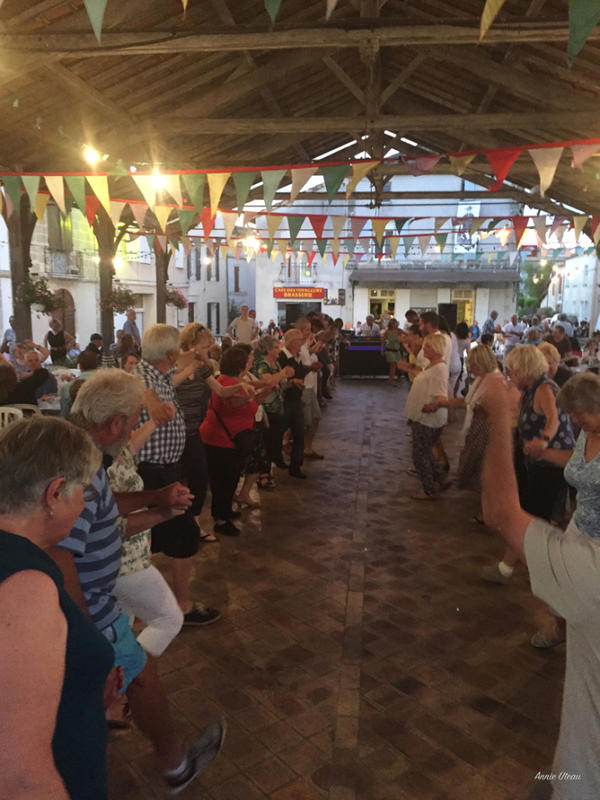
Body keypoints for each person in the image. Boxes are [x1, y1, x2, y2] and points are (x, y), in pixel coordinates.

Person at [52, 369, 226, 793]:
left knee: (131, 674)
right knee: (133, 674)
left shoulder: (85, 454)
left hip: (98, 601)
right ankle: (173, 765)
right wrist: (82, 630)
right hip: (91, 606)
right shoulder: (79, 467)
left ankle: (164, 757)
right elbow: (60, 553)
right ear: (114, 423)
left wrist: (157, 501)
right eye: (133, 421)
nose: (134, 429)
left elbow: (106, 508)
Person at [479, 376, 600, 800]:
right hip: (579, 535)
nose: (576, 420)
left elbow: (501, 515)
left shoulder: (593, 573)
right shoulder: (588, 436)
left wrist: (499, 417)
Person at [0, 416, 116, 800]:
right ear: (54, 493)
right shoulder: (24, 586)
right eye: (84, 490)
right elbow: (18, 776)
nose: (85, 503)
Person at [135, 324, 220, 626]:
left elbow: (183, 362)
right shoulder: (144, 378)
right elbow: (144, 393)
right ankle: (179, 607)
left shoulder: (161, 373)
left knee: (153, 537)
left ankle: (148, 607)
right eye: (176, 352)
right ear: (169, 353)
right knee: (182, 534)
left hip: (165, 469)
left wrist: (198, 352)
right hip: (151, 471)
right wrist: (156, 407)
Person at [482, 345, 574, 589]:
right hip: (539, 463)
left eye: (511, 371)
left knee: (532, 522)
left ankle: (549, 580)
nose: (508, 375)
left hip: (551, 464)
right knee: (531, 519)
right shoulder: (531, 389)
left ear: (525, 369)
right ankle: (510, 568)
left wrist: (542, 440)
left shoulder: (545, 388)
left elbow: (553, 418)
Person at [175, 322, 247, 540]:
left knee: (199, 478)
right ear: (191, 345)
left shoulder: (203, 367)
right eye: (206, 346)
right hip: (173, 431)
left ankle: (194, 522)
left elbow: (221, 391)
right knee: (176, 480)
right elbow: (165, 386)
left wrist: (241, 386)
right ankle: (175, 527)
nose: (209, 350)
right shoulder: (173, 365)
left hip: (193, 430)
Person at [200, 346, 259, 535]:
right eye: (248, 359)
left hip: (232, 440)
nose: (251, 361)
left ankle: (225, 511)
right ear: (239, 364)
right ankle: (220, 519)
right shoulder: (225, 382)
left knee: (231, 479)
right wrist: (249, 396)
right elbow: (231, 405)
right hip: (220, 440)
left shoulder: (238, 381)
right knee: (222, 481)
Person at [404, 332, 450, 500]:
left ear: (437, 349)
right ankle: (439, 478)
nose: (425, 348)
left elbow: (441, 396)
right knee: (426, 452)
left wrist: (433, 406)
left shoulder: (439, 369)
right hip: (423, 418)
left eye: (428, 346)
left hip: (428, 420)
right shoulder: (433, 366)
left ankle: (428, 489)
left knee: (420, 455)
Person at [252, 335, 294, 481]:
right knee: (267, 441)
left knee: (275, 439)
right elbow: (268, 382)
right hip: (267, 408)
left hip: (277, 407)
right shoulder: (262, 364)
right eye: (276, 348)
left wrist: (290, 381)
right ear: (269, 350)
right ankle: (264, 473)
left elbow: (279, 384)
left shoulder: (276, 363)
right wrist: (283, 374)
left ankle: (271, 467)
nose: (279, 350)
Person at [278, 328, 310, 479]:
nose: (301, 344)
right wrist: (292, 382)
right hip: (285, 400)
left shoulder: (296, 358)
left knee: (299, 432)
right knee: (278, 432)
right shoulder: (282, 357)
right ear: (291, 343)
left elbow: (298, 374)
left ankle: (295, 465)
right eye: (299, 341)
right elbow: (280, 378)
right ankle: (275, 461)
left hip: (295, 399)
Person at [59, 350, 99, 417]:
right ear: (97, 365)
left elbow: (64, 416)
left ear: (80, 366)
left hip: (74, 425)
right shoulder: (107, 385)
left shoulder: (67, 388)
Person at [381, 318, 403, 386]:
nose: (394, 324)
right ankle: (391, 380)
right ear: (390, 324)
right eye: (393, 323)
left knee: (396, 365)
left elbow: (408, 334)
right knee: (393, 365)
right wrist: (382, 350)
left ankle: (391, 379)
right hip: (390, 350)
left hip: (397, 350)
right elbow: (383, 341)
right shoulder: (387, 332)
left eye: (395, 323)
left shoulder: (399, 330)